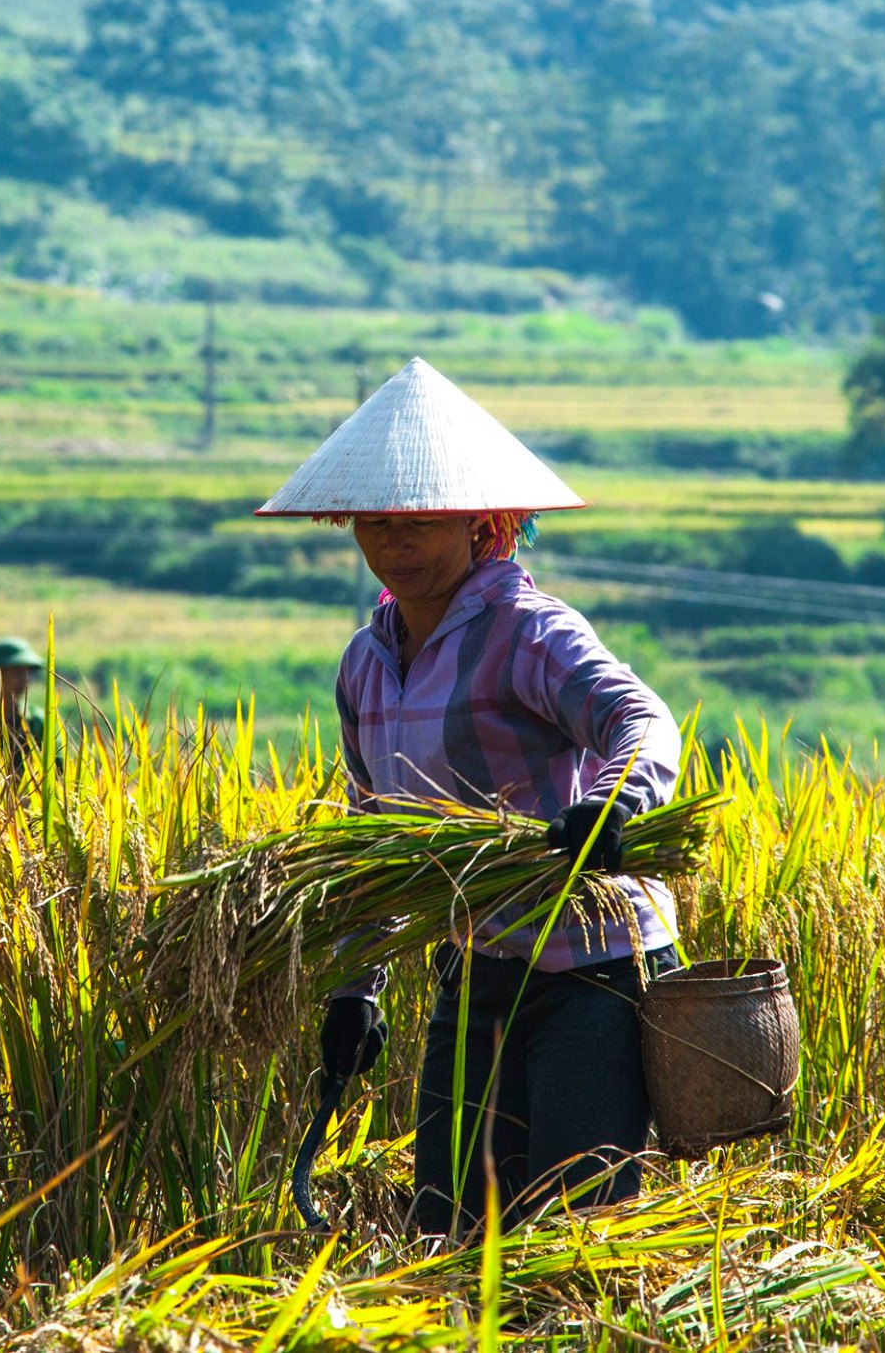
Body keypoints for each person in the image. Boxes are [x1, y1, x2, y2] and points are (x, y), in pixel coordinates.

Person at [257, 357, 685, 1237]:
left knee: (574, 1232)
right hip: (473, 974)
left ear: (481, 522)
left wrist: (613, 806)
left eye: (419, 522)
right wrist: (354, 990)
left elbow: (639, 719)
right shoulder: (366, 664)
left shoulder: (528, 632)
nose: (393, 542)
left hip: (588, 974)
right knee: (448, 1226)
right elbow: (371, 838)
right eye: (375, 522)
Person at [0, 636, 48, 768]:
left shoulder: (38, 722)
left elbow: (57, 773)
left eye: (27, 672)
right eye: (17, 672)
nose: (24, 679)